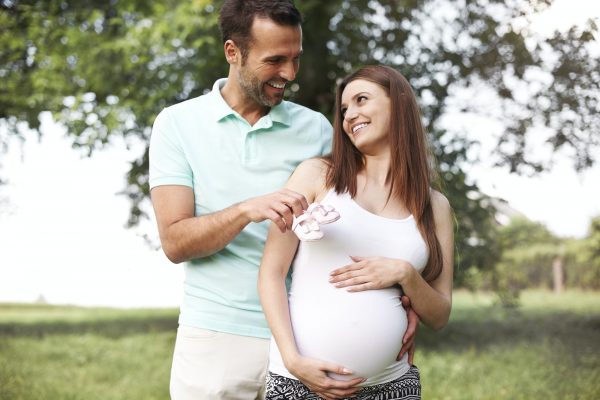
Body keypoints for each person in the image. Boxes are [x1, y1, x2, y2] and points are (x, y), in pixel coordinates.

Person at [149, 2, 418, 399]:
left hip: (309, 339)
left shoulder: (315, 128)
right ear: (232, 52)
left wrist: (404, 298)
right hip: (217, 338)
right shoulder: (177, 124)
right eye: (275, 60)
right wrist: (245, 210)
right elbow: (175, 242)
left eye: (295, 59)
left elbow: (366, 218)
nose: (290, 75)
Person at [258, 65, 455, 400]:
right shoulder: (317, 176)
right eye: (345, 109)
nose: (350, 115)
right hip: (300, 385)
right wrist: (292, 361)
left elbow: (439, 315)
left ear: (400, 102)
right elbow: (271, 273)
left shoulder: (435, 207)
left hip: (392, 387)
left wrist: (405, 274)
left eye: (362, 100)